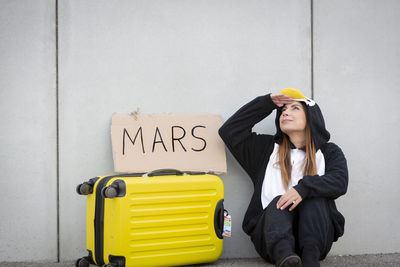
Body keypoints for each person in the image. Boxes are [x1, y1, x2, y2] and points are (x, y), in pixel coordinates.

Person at [218, 88, 348, 267]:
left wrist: (303, 189)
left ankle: (311, 261)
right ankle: (286, 259)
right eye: (283, 110)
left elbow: (340, 181)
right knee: (280, 200)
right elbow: (230, 131)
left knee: (313, 199)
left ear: (311, 116)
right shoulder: (265, 151)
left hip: (317, 241)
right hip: (272, 241)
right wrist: (267, 103)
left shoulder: (328, 152)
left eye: (295, 108)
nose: (286, 112)